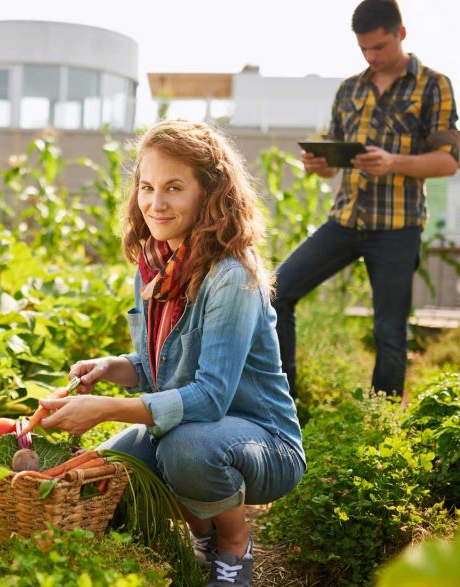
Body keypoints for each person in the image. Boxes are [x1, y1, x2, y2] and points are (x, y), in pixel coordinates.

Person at [37, 120, 306, 586]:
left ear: (210, 193)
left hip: (262, 443)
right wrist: (111, 369)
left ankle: (234, 542)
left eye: (174, 188)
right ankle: (201, 534)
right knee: (105, 477)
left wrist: (105, 411)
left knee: (186, 450)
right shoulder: (156, 265)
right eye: (146, 187)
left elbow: (209, 398)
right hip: (186, 430)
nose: (155, 203)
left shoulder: (231, 275)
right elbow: (160, 367)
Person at [273, 0, 460, 398]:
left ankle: (384, 416)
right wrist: (318, 163)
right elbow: (332, 165)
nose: (371, 56)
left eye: (379, 47)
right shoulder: (350, 89)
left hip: (396, 228)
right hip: (345, 221)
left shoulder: (433, 85)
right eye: (363, 49)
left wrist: (393, 162)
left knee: (389, 331)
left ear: (401, 34)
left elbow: (447, 163)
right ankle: (283, 400)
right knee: (275, 292)